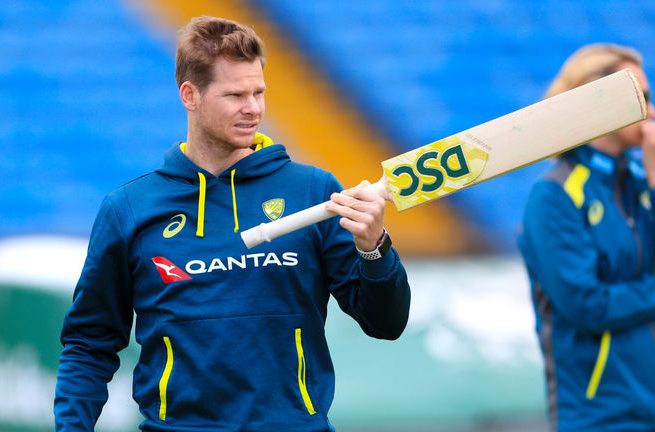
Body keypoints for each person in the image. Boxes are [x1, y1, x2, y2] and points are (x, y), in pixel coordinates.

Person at [54, 16, 411, 431]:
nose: (253, 108)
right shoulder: (130, 208)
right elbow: (88, 344)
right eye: (235, 94)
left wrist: (374, 246)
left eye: (259, 92)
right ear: (190, 95)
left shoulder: (314, 192)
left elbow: (386, 323)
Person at [519, 43, 655, 431]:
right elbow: (588, 306)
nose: (651, 109)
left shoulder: (641, 182)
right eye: (640, 97)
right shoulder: (554, 195)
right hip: (600, 415)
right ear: (602, 100)